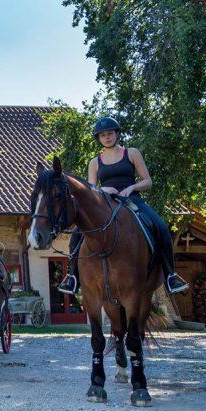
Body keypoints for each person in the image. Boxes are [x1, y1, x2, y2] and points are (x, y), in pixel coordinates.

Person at [57, 117, 189, 296]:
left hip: (132, 199)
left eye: (110, 133)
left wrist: (132, 187)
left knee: (160, 226)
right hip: (105, 202)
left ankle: (170, 275)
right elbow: (91, 189)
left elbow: (147, 181)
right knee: (76, 234)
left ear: (117, 134)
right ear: (99, 138)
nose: (107, 137)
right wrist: (104, 189)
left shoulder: (132, 153)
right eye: (103, 135)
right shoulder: (95, 162)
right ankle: (72, 276)